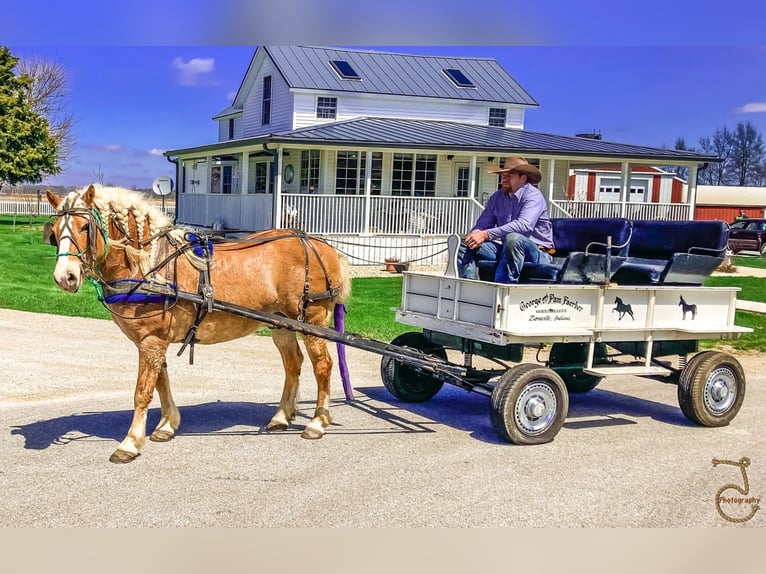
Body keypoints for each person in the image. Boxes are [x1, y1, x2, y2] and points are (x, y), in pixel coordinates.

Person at [458, 156, 554, 283]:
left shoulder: (533, 195)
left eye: (510, 175)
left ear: (523, 178)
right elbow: (482, 224)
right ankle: (468, 288)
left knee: (514, 238)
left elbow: (523, 226)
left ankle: (503, 291)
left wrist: (486, 234)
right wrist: (476, 234)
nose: (504, 178)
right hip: (507, 250)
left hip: (537, 253)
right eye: (503, 174)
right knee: (466, 242)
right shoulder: (497, 197)